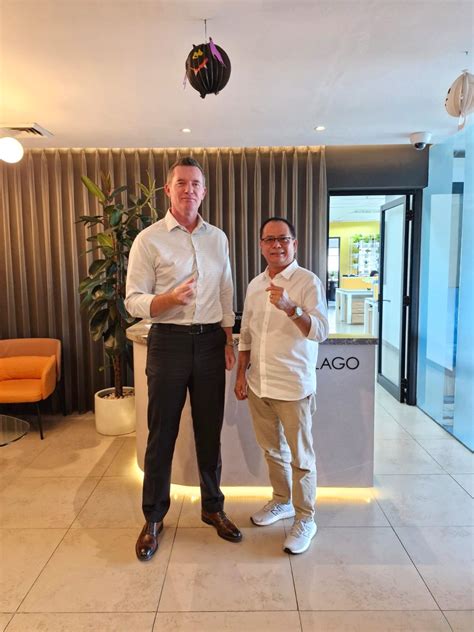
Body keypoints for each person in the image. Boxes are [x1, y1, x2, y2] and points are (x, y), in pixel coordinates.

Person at [125, 156, 242, 562]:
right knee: (162, 434)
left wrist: (227, 337)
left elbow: (226, 289)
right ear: (168, 190)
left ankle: (212, 507)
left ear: (203, 191)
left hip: (210, 342)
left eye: (195, 184)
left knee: (210, 431)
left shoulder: (218, 238)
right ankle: (154, 517)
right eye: (181, 183)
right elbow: (133, 300)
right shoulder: (149, 240)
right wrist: (169, 299)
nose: (189, 189)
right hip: (168, 342)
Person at [234, 217, 328, 554]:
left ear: (294, 244)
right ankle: (282, 501)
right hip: (260, 384)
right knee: (272, 450)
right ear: (261, 246)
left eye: (283, 239)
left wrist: (291, 308)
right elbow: (247, 334)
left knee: (301, 457)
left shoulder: (307, 282)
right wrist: (241, 374)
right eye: (269, 239)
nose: (276, 245)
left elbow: (320, 331)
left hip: (293, 386)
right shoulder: (255, 285)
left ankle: (306, 517)